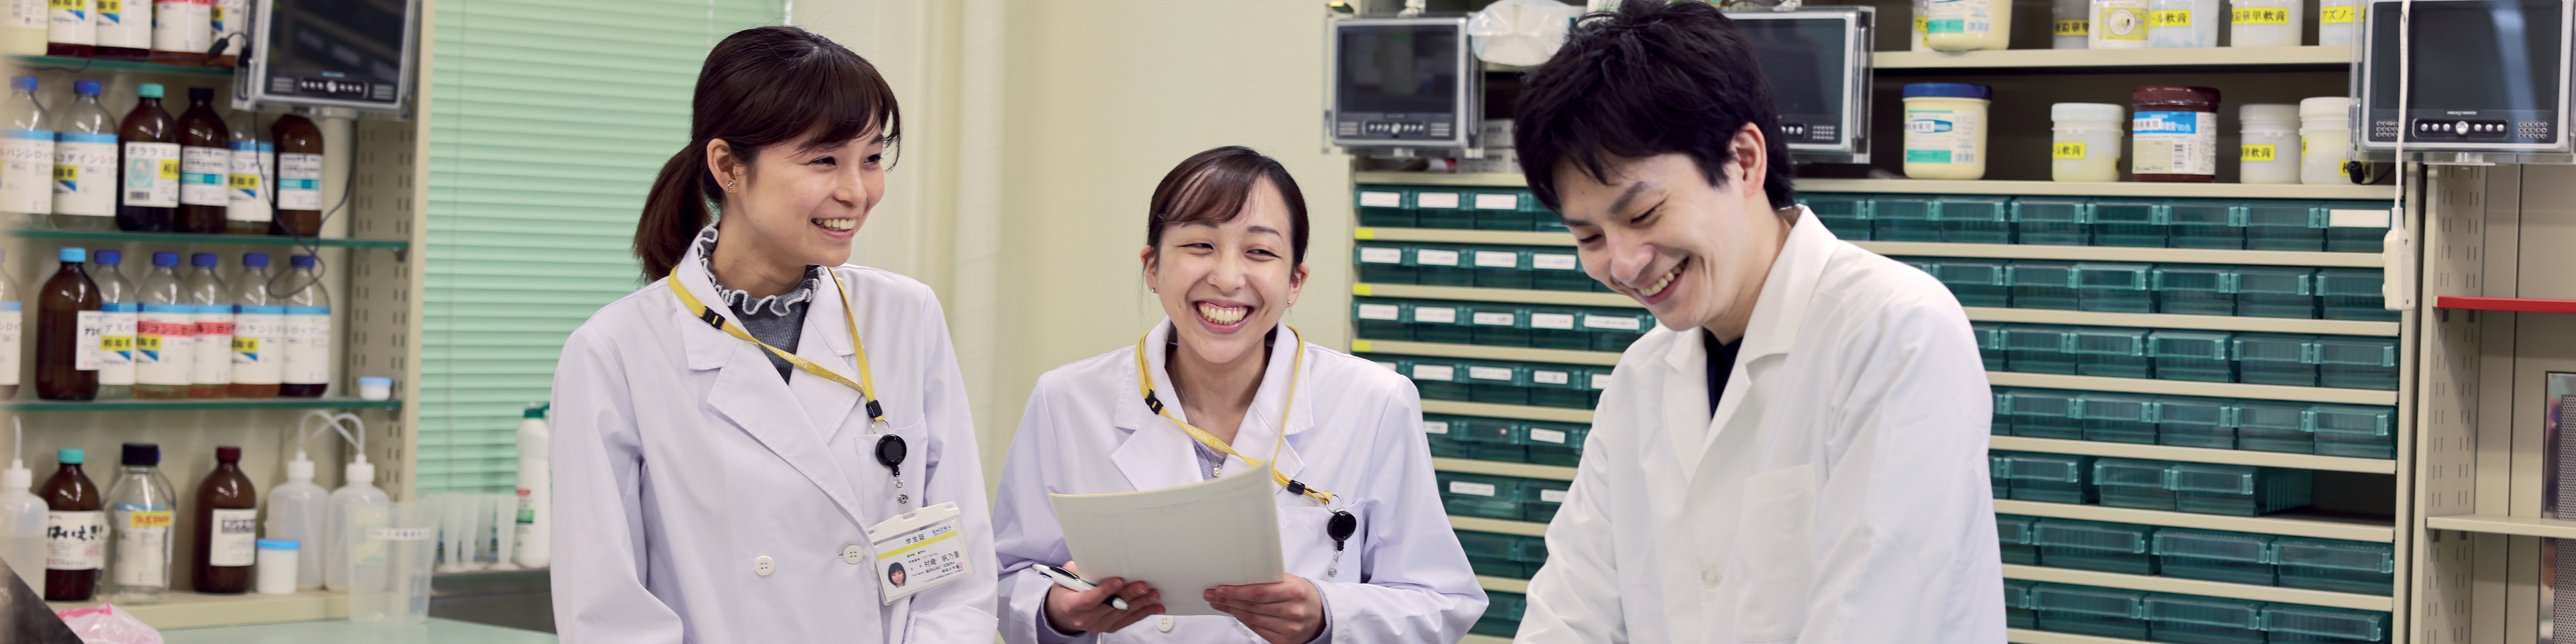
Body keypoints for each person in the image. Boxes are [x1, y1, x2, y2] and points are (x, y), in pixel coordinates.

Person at [1507, 2, 2003, 643]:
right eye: (1590, 235)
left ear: (1743, 159)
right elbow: (1571, 610)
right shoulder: (1643, 377)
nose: (1624, 264)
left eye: (1645, 214)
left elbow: (1876, 617)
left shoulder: (1895, 329)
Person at [549, 25, 996, 643]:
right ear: (729, 166)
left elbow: (959, 568)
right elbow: (608, 611)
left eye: (871, 158)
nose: (857, 192)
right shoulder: (616, 350)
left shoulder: (904, 314)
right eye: (824, 160)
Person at [990, 146, 1485, 644]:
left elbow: (1441, 600)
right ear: (1153, 267)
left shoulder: (1375, 402)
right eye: (1200, 245)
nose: (1227, 278)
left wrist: (1328, 615)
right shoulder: (1068, 400)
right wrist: (1057, 611)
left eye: (1260, 252)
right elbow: (1005, 579)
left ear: (1295, 281)